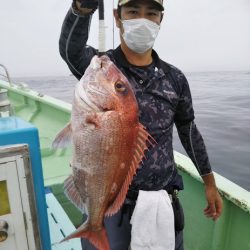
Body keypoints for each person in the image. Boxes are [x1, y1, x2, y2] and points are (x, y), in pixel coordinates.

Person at [59, 0, 223, 249]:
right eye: (133, 11)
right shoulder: (101, 67)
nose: (143, 19)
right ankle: (94, 225)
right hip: (110, 207)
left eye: (151, 13)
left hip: (163, 204)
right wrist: (81, 10)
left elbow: (188, 131)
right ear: (117, 17)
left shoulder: (175, 78)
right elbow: (70, 51)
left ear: (160, 20)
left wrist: (209, 183)